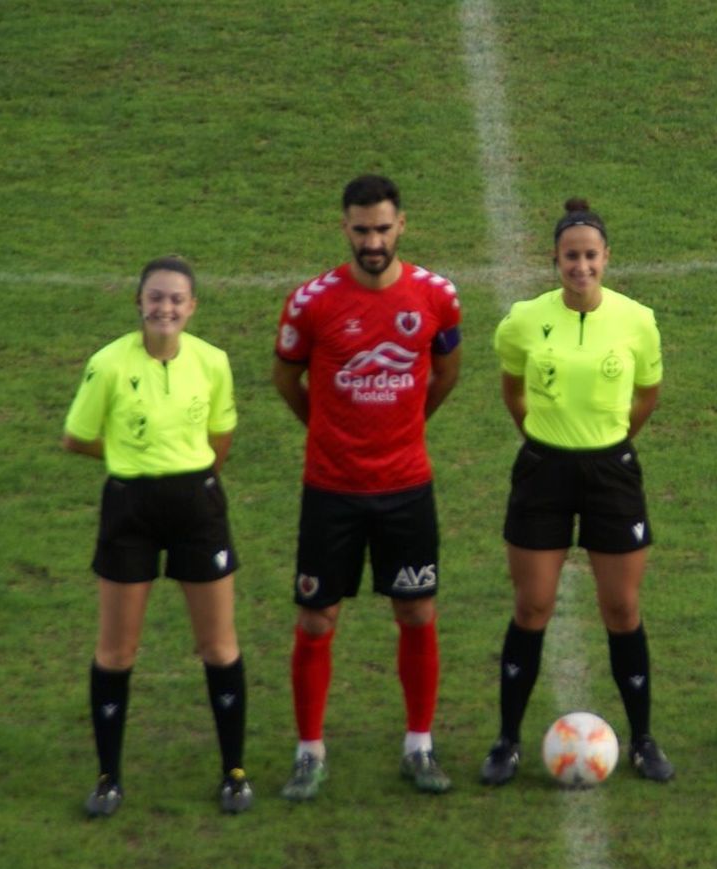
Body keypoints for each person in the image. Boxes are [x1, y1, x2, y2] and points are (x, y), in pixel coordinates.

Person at [274, 174, 463, 798]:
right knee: (316, 621)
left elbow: (445, 371)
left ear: (401, 224)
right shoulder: (312, 302)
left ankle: (419, 746)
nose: (373, 241)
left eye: (383, 228)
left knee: (416, 609)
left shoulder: (436, 296)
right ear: (344, 228)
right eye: (361, 230)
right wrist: (326, 430)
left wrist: (406, 425)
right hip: (331, 489)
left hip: (407, 486)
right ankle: (309, 752)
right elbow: (286, 378)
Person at [479, 198, 674, 786]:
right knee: (532, 606)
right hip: (544, 471)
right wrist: (545, 440)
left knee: (621, 609)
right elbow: (513, 388)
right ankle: (506, 742)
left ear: (606, 258)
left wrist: (607, 442)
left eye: (590, 256)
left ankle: (642, 739)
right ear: (555, 260)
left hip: (611, 473)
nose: (581, 266)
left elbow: (646, 395)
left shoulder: (636, 319)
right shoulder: (522, 320)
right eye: (571, 256)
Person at [61, 255, 250, 817]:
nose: (164, 307)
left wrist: (191, 476)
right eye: (155, 297)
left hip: (198, 508)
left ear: (192, 307)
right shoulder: (108, 365)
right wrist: (127, 455)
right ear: (138, 303)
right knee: (117, 650)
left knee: (218, 646)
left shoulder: (213, 362)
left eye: (176, 299)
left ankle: (235, 772)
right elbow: (76, 437)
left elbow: (222, 435)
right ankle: (108, 777)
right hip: (130, 511)